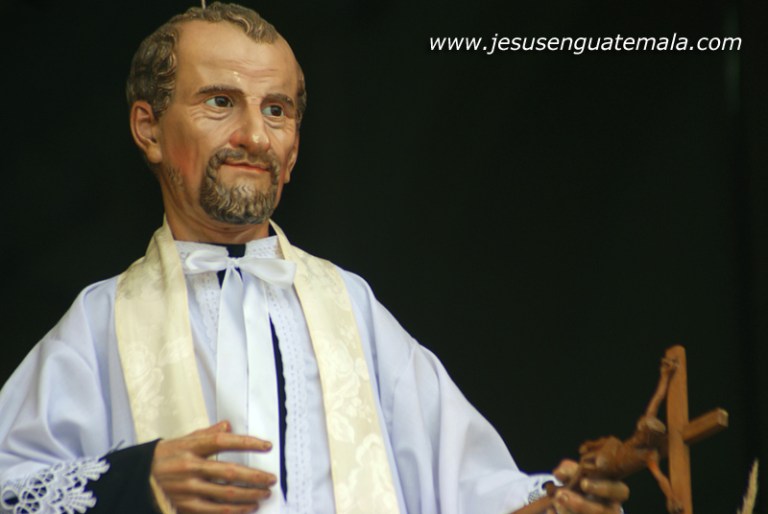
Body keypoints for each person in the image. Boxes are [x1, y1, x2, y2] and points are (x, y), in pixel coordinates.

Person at [0, 3, 629, 514]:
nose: (254, 135)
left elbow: (469, 487)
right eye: (220, 102)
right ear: (149, 129)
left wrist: (556, 504)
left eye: (276, 110)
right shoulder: (101, 322)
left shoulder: (350, 307)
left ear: (295, 148)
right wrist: (137, 480)